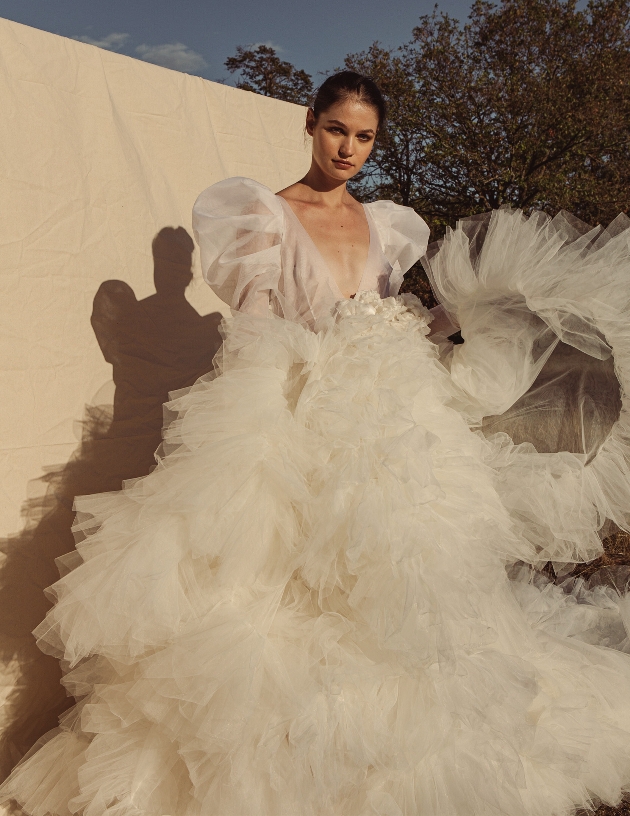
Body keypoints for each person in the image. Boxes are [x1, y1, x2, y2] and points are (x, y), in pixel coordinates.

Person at [3, 69, 630, 816]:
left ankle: (384, 759)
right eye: (338, 129)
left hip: (384, 418)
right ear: (310, 122)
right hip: (297, 412)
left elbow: (386, 313)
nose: (349, 148)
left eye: (365, 137)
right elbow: (260, 330)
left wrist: (448, 321)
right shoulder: (266, 215)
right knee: (270, 592)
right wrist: (296, 399)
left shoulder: (387, 225)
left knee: (398, 589)